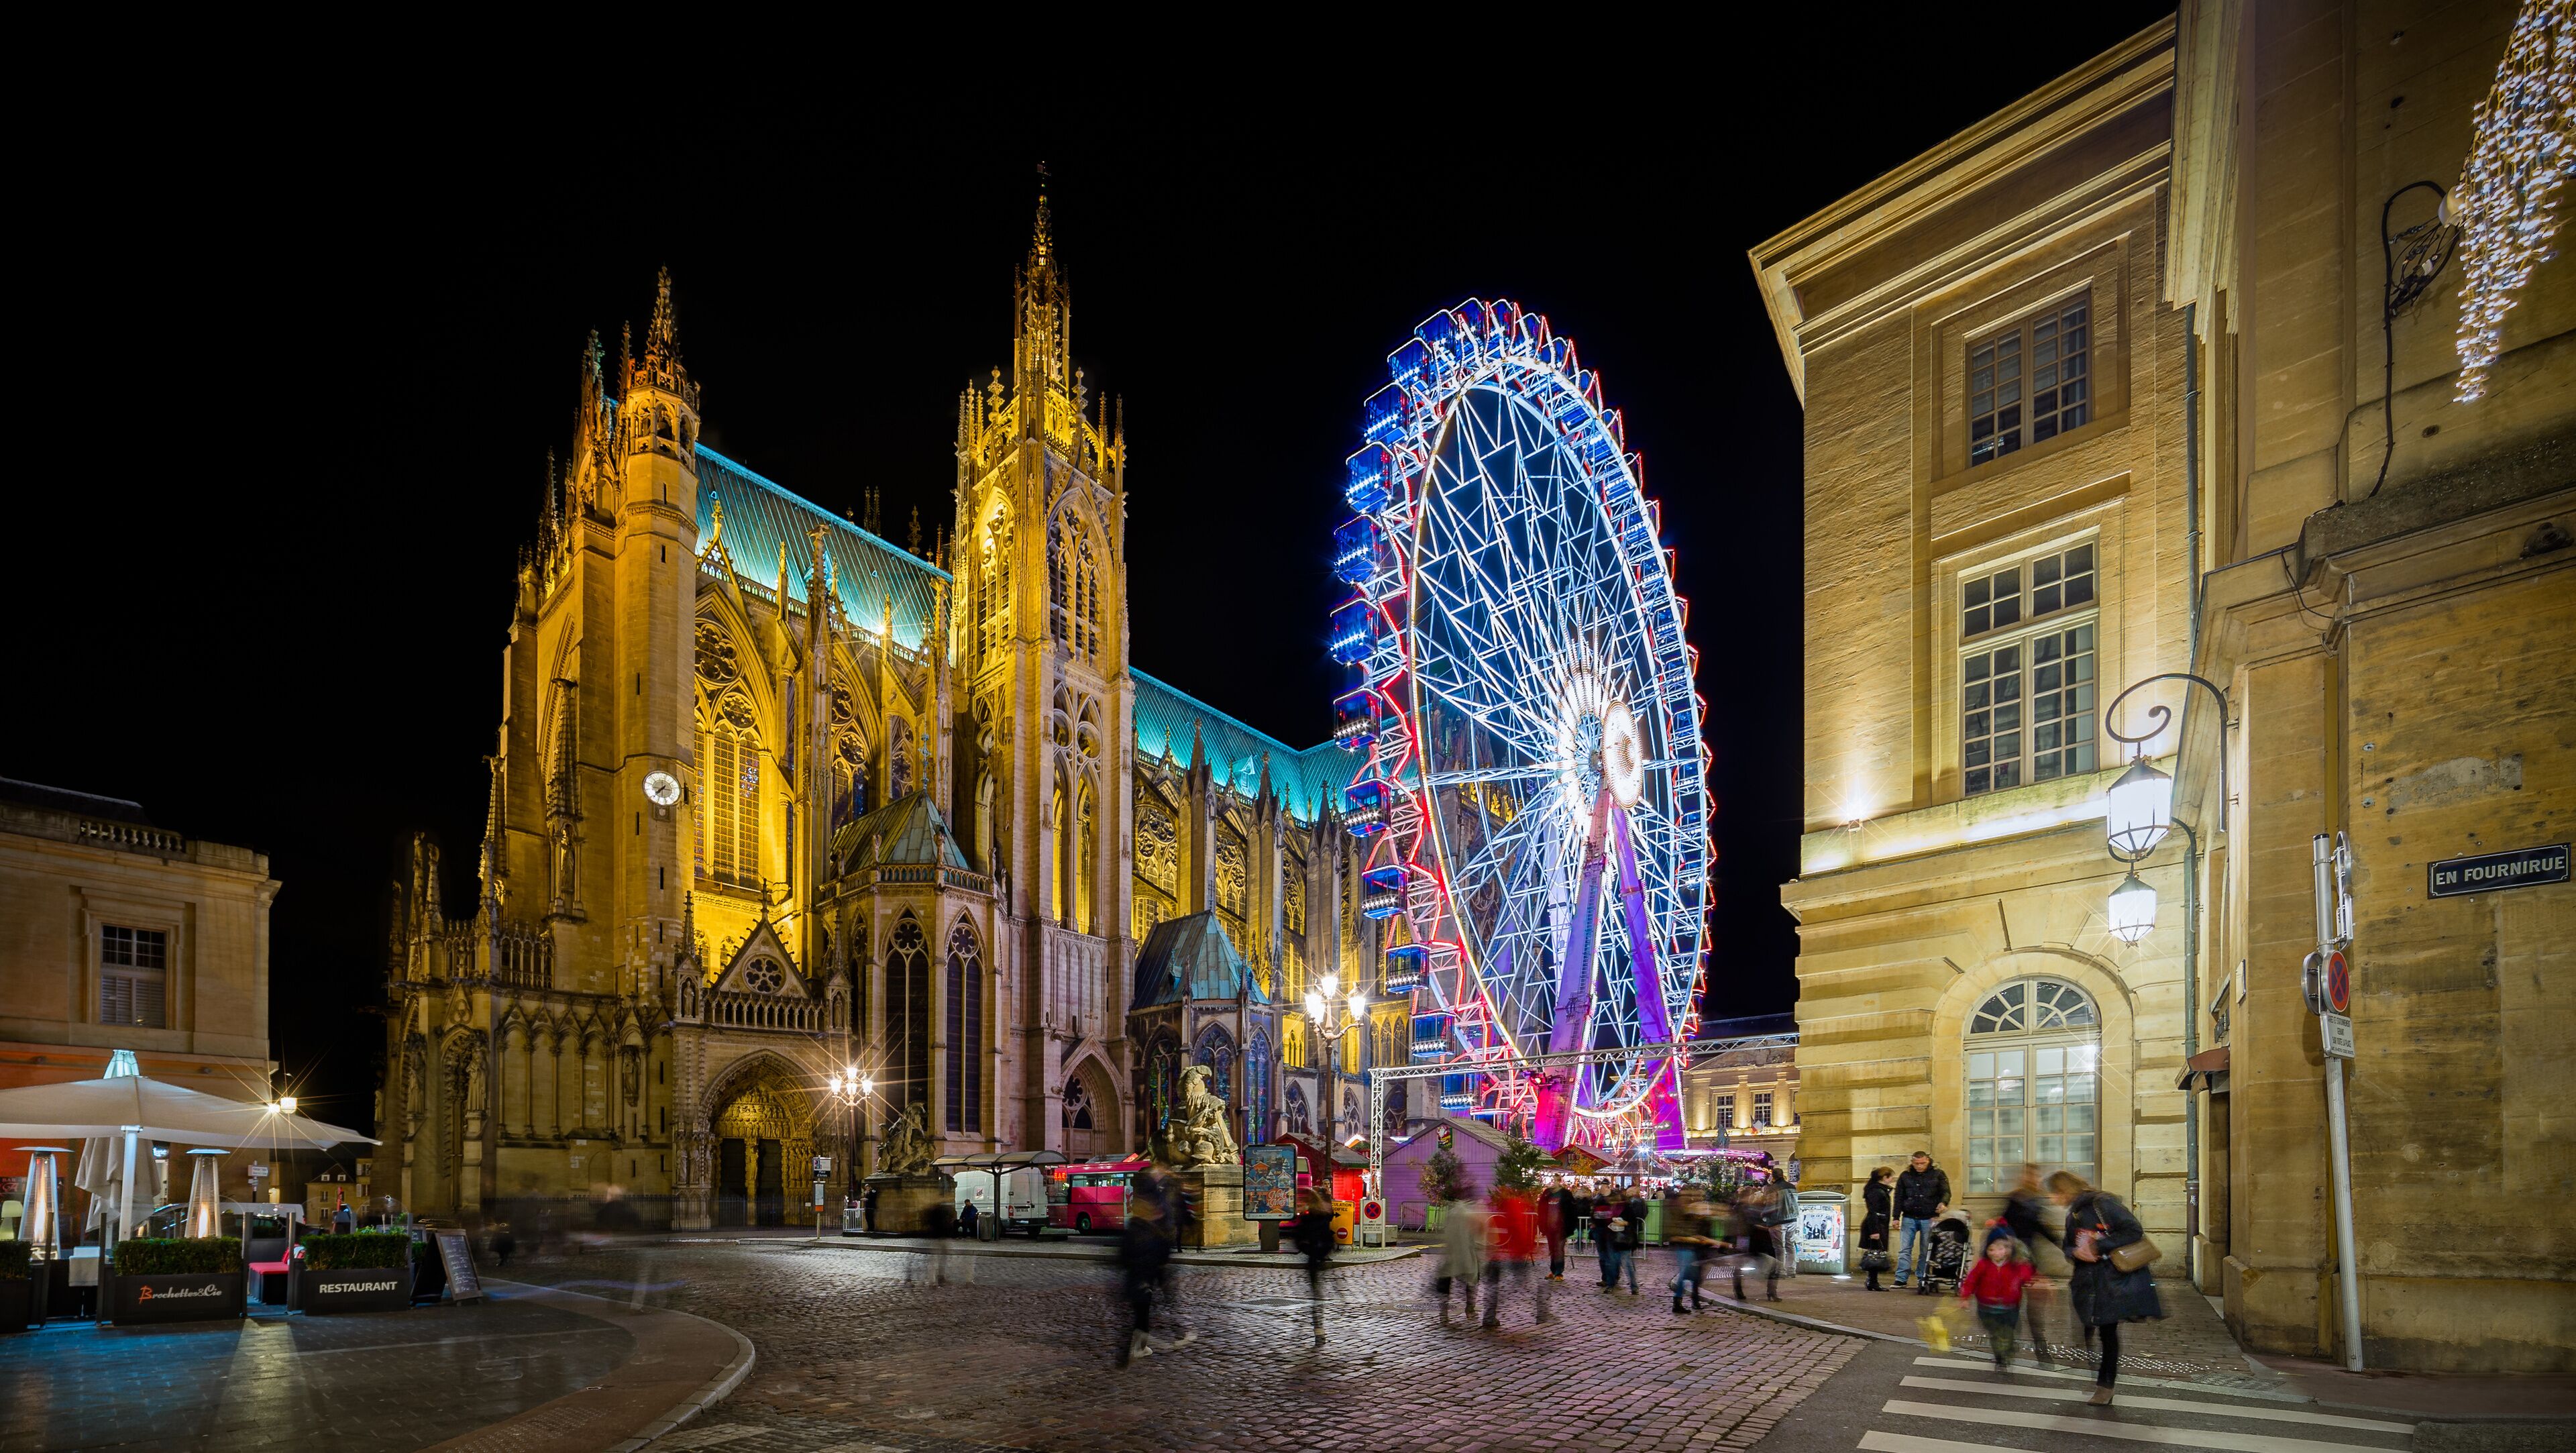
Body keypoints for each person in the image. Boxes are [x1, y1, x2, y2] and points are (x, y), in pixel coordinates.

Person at [2051, 1170, 2162, 1405]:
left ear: (2065, 1190)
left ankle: (2105, 1386)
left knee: (2107, 1332)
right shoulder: (2074, 1214)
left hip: (2111, 1280)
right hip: (2086, 1282)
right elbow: (2068, 1246)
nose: (2053, 1200)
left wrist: (2098, 1248)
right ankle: (2097, 1377)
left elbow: (2133, 1230)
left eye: (2055, 1194)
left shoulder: (2103, 1204)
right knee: (2090, 1327)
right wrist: (2075, 1252)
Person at [2000, 1163, 2059, 1361]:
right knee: (2012, 1304)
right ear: (2024, 1177)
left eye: (2036, 1176)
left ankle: (2040, 1346)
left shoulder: (2037, 1201)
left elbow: (2041, 1227)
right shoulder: (2014, 1199)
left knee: (2035, 1307)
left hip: (2031, 1259)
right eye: (2030, 1175)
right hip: (2012, 1259)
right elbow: (2003, 1225)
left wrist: (2064, 1244)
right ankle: (2008, 1347)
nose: (2034, 1179)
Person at [1958, 1232, 2038, 1370]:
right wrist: (1965, 1297)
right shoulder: (1983, 1265)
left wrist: (2028, 1276)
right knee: (1995, 1333)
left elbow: (2026, 1274)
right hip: (1986, 1307)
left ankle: (2008, 1349)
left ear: (2008, 1250)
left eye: (2001, 1249)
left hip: (2010, 1307)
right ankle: (2000, 1356)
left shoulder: (2016, 1265)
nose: (1996, 1253)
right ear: (1987, 1251)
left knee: (2008, 1331)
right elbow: (1971, 1280)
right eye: (1992, 1249)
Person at [1115, 1187, 1175, 1366]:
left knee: (1137, 1315)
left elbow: (1123, 1256)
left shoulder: (1134, 1227)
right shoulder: (1154, 1231)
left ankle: (1130, 1351)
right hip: (1145, 1280)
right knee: (1142, 1315)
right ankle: (1139, 1348)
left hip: (1134, 1280)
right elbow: (1161, 1258)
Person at [1482, 1185, 1548, 1327]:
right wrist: (1527, 1248)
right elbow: (1518, 1230)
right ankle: (1542, 1315)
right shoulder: (1514, 1206)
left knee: (1494, 1287)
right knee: (1533, 1286)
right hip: (1512, 1255)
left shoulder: (1494, 1209)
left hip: (1496, 1255)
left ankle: (1488, 1317)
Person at [1891, 1150, 1951, 1293]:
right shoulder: (1905, 1176)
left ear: (1928, 1161)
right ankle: (1901, 1278)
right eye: (1917, 1163)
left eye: (1923, 1163)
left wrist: (1943, 1203)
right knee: (1905, 1249)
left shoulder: (1938, 1174)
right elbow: (1899, 1197)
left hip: (1929, 1216)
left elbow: (1946, 1192)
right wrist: (1895, 1217)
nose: (1920, 1166)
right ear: (1912, 1163)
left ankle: (1922, 1277)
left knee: (1926, 1250)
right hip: (1909, 1216)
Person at [1291, 1187, 1336, 1346]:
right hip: (1321, 1260)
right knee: (1317, 1296)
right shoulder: (1323, 1216)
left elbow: (1298, 1241)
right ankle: (1319, 1330)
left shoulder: (1308, 1219)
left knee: (1315, 1297)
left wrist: (1308, 1249)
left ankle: (1318, 1330)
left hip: (1313, 1261)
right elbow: (1331, 1239)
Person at [1433, 1191, 1487, 1324]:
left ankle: (1443, 1314)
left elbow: (1445, 1233)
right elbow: (1479, 1230)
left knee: (1446, 1282)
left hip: (1451, 1254)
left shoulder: (1451, 1214)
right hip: (1466, 1254)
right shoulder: (1470, 1215)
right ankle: (1470, 1309)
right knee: (1472, 1281)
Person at [1666, 1188, 1718, 1313]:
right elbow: (1677, 1230)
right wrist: (1692, 1238)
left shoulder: (1688, 1209)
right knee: (1686, 1274)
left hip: (1691, 1246)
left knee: (1691, 1275)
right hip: (1685, 1246)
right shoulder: (1679, 1209)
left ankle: (1681, 1301)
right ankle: (1678, 1302)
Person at [1730, 1181, 1782, 1303]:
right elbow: (1749, 1224)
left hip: (1755, 1240)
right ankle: (1768, 1291)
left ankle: (1770, 1291)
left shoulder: (1754, 1208)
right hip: (1749, 1240)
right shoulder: (1743, 1208)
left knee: (1773, 1264)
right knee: (1740, 1267)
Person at [1858, 1167, 1894, 1291]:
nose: (1892, 1180)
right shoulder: (1877, 1191)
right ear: (1885, 1177)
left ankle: (1872, 1281)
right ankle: (1872, 1281)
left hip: (1878, 1225)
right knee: (1875, 1254)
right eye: (1891, 1177)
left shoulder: (1878, 1190)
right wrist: (1874, 1231)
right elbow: (1873, 1211)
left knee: (1876, 1253)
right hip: (1875, 1225)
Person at [1617, 1187, 1648, 1295]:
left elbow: (1633, 1218)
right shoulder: (1639, 1201)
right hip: (1628, 1234)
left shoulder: (1631, 1204)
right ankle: (1618, 1282)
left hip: (1624, 1235)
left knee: (1625, 1260)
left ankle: (1631, 1285)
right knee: (1625, 1260)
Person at [1591, 1194, 1623, 1291]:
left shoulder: (1612, 1207)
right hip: (1604, 1233)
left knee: (1607, 1258)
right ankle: (1609, 1278)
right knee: (1606, 1258)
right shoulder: (1603, 1207)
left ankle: (1609, 1279)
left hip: (1608, 1234)